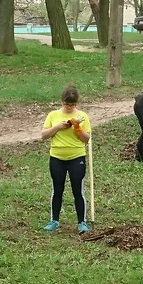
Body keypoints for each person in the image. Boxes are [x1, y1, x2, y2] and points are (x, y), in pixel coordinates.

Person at [40, 85, 92, 234]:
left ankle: (82, 222)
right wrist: (57, 127)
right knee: (57, 190)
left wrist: (77, 128)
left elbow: (86, 139)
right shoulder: (53, 115)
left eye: (72, 104)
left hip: (76, 157)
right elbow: (43, 135)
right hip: (57, 157)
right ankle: (54, 220)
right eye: (66, 104)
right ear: (62, 101)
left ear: (77, 103)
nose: (69, 107)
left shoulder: (82, 116)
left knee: (78, 190)